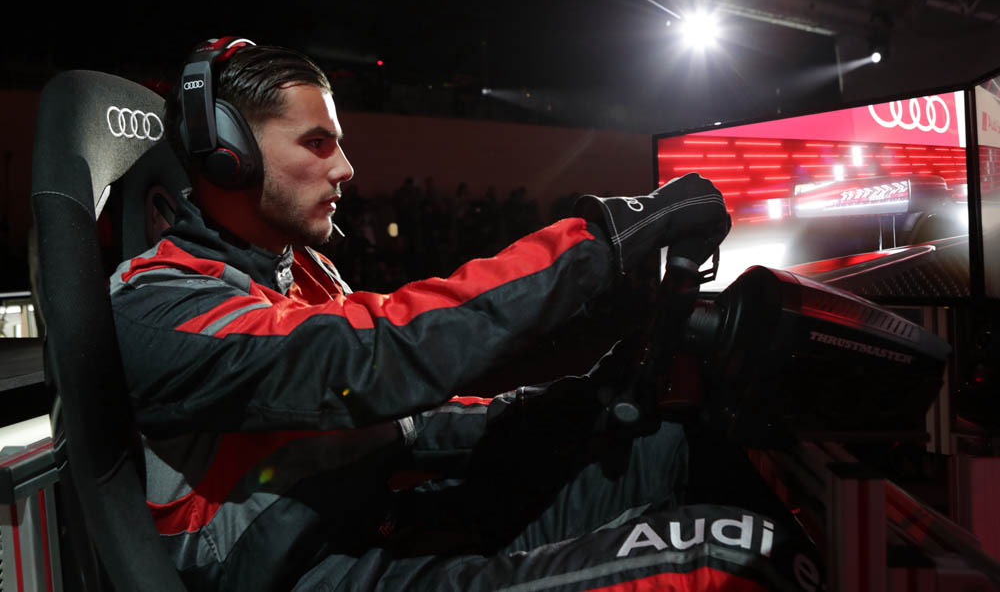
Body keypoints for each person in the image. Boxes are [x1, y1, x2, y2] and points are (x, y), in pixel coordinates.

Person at [110, 37, 822, 591]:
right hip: (314, 578)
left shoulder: (297, 270)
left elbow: (408, 421)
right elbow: (378, 355)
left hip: (386, 529)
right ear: (226, 154)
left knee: (671, 445)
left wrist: (582, 403)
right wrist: (603, 239)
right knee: (731, 560)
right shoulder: (158, 304)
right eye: (317, 142)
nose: (345, 168)